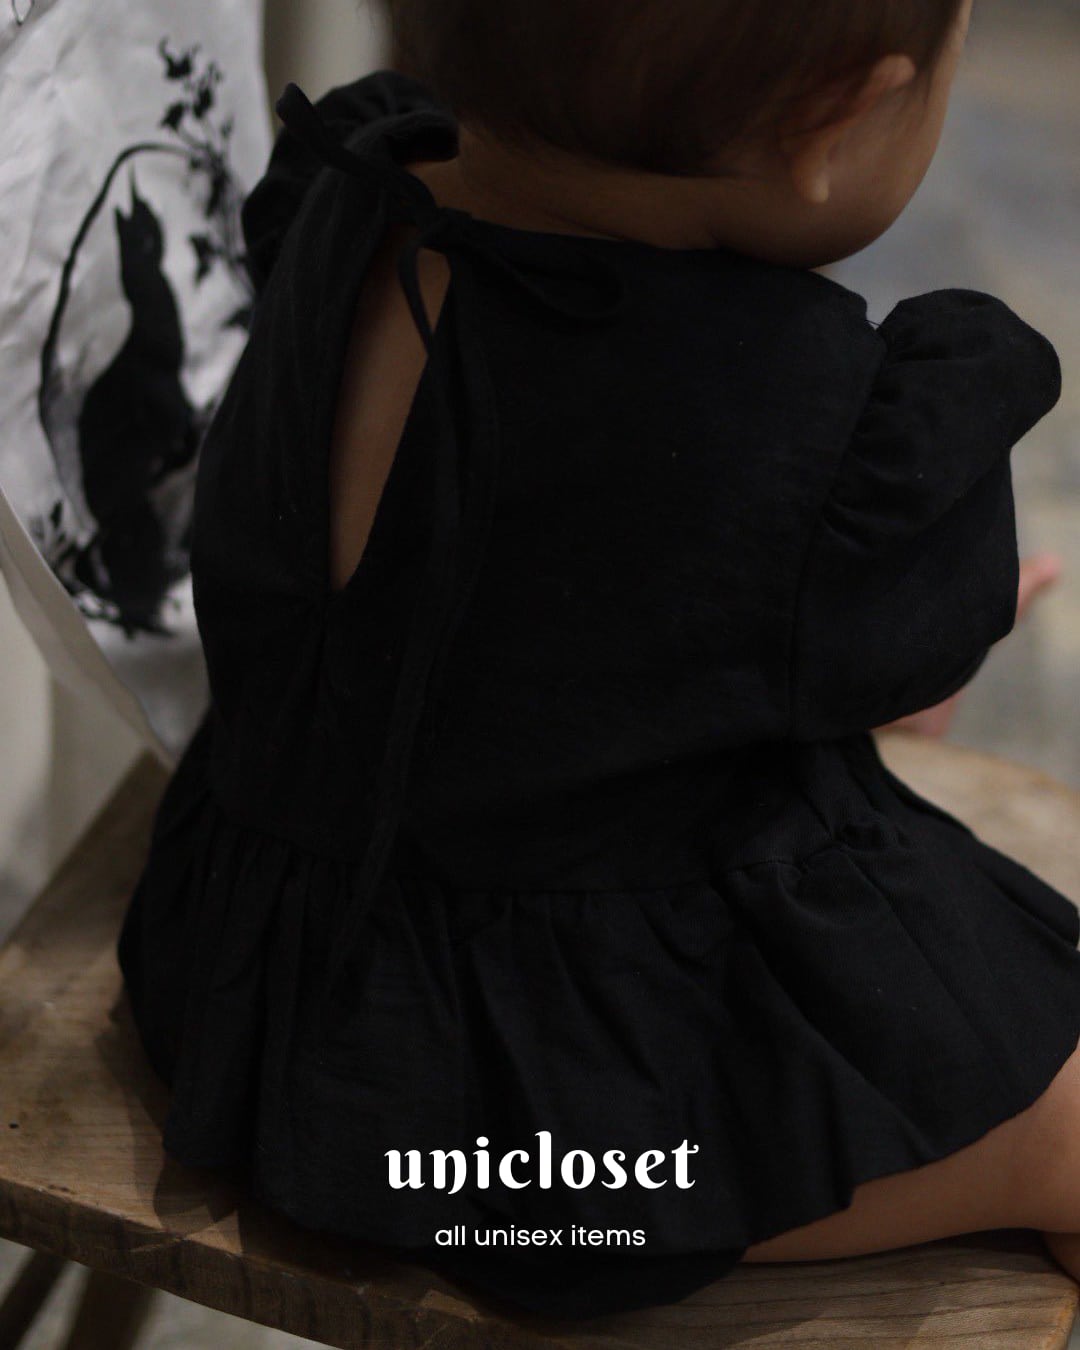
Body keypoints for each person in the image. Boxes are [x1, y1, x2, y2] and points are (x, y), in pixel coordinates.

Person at [117, 0, 1080, 1320]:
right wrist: (882, 605)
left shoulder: (353, 186)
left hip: (240, 976)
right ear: (834, 120)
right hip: (531, 1137)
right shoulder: (785, 413)